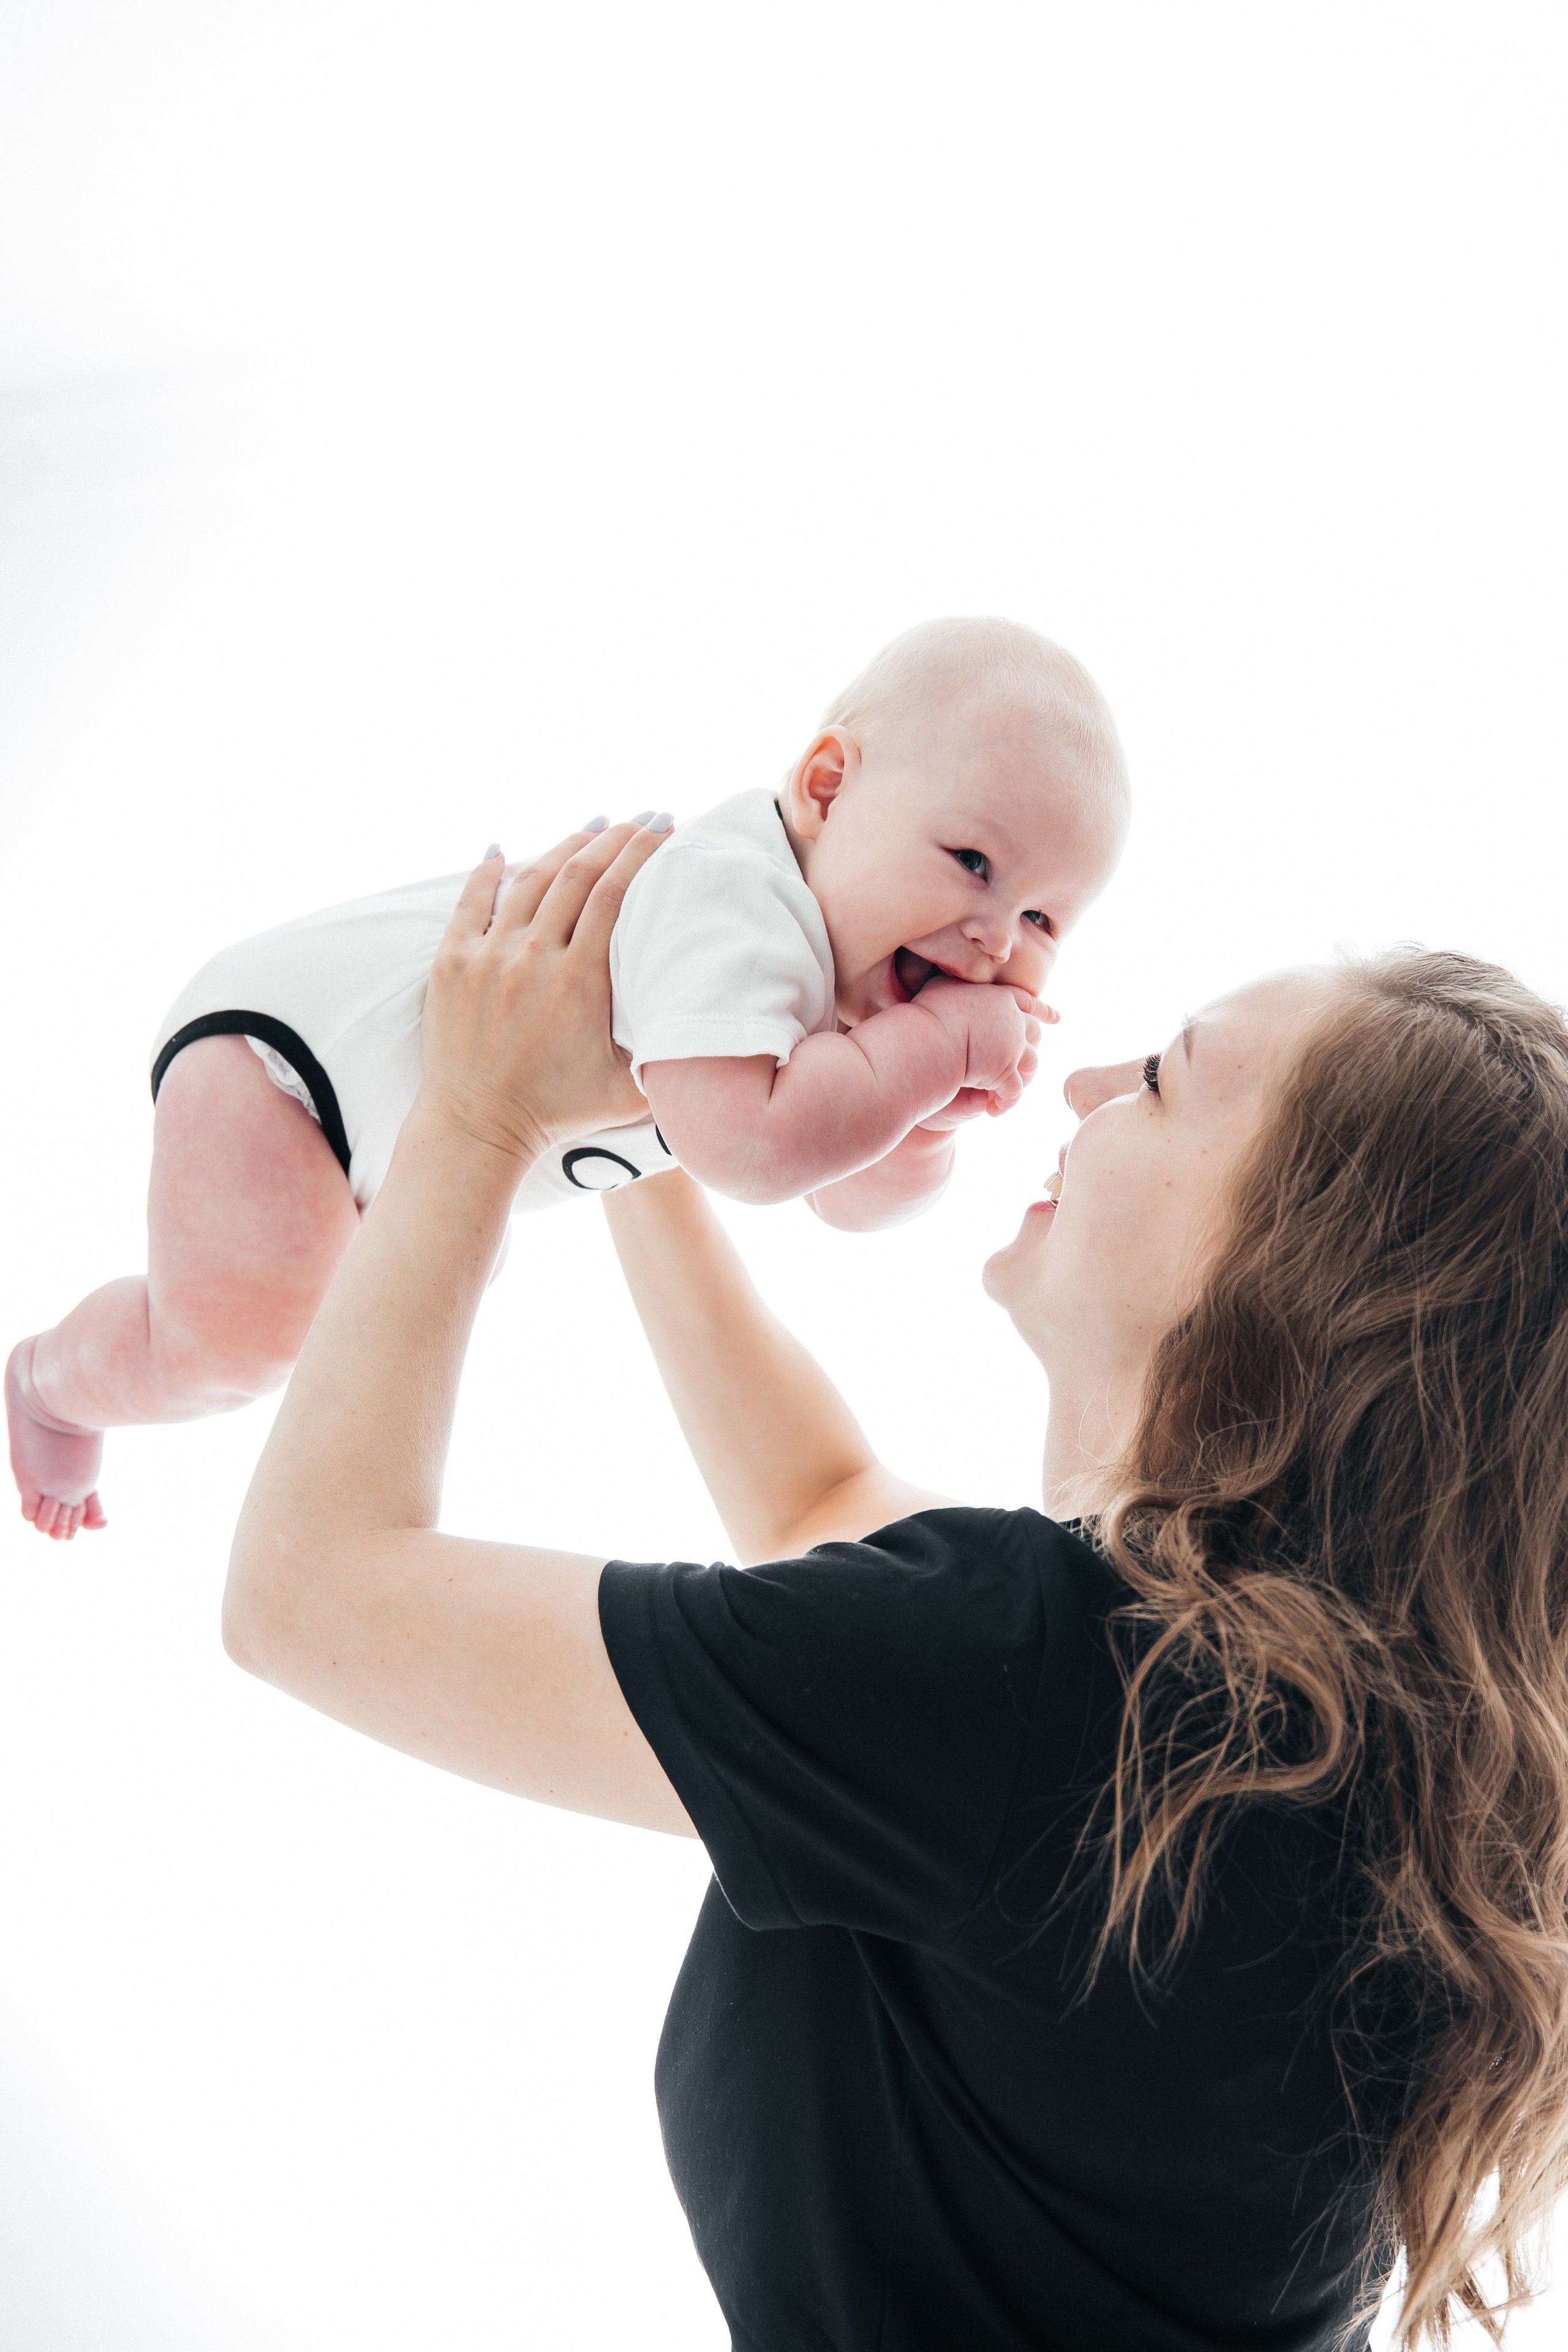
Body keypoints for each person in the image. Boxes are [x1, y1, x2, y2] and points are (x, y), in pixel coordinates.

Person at [222, 821, 1568, 2350]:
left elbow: (307, 1592)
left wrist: (472, 1115)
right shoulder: (1274, 1741)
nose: (1078, 1085)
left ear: (1295, 1265)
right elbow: (820, 1505)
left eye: (1163, 1078)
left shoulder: (1037, 1684)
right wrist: (626, 1113)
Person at [6, 616, 1128, 1540]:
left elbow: (846, 1197)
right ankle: (57, 1380)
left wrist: (927, 1120)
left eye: (1039, 917)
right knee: (242, 1341)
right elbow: (752, 1151)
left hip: (403, 1137)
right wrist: (931, 1056)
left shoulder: (848, 980)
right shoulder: (738, 897)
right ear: (828, 787)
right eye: (972, 863)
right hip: (282, 1069)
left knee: (388, 1304)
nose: (994, 939)